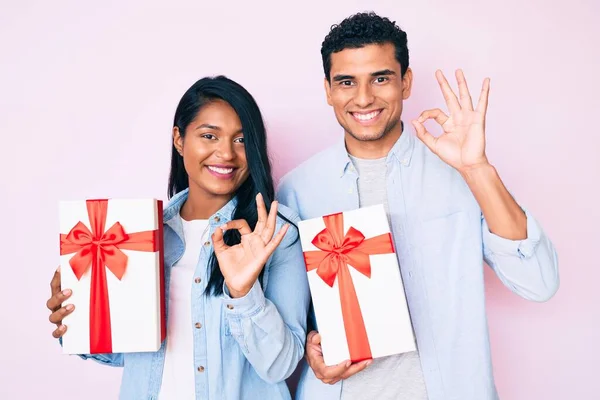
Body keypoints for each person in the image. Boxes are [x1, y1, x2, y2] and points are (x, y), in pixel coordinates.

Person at [276, 12, 559, 400]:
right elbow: (288, 331)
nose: (363, 98)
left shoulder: (460, 172)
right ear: (328, 90)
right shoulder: (297, 190)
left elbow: (538, 282)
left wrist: (477, 168)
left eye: (380, 78)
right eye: (346, 82)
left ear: (405, 83)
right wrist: (311, 351)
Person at [47, 75, 311, 399]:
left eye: (241, 140)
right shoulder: (137, 235)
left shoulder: (277, 233)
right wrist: (78, 323)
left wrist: (243, 293)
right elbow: (135, 356)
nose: (226, 153)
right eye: (209, 135)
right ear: (179, 139)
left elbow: (280, 365)